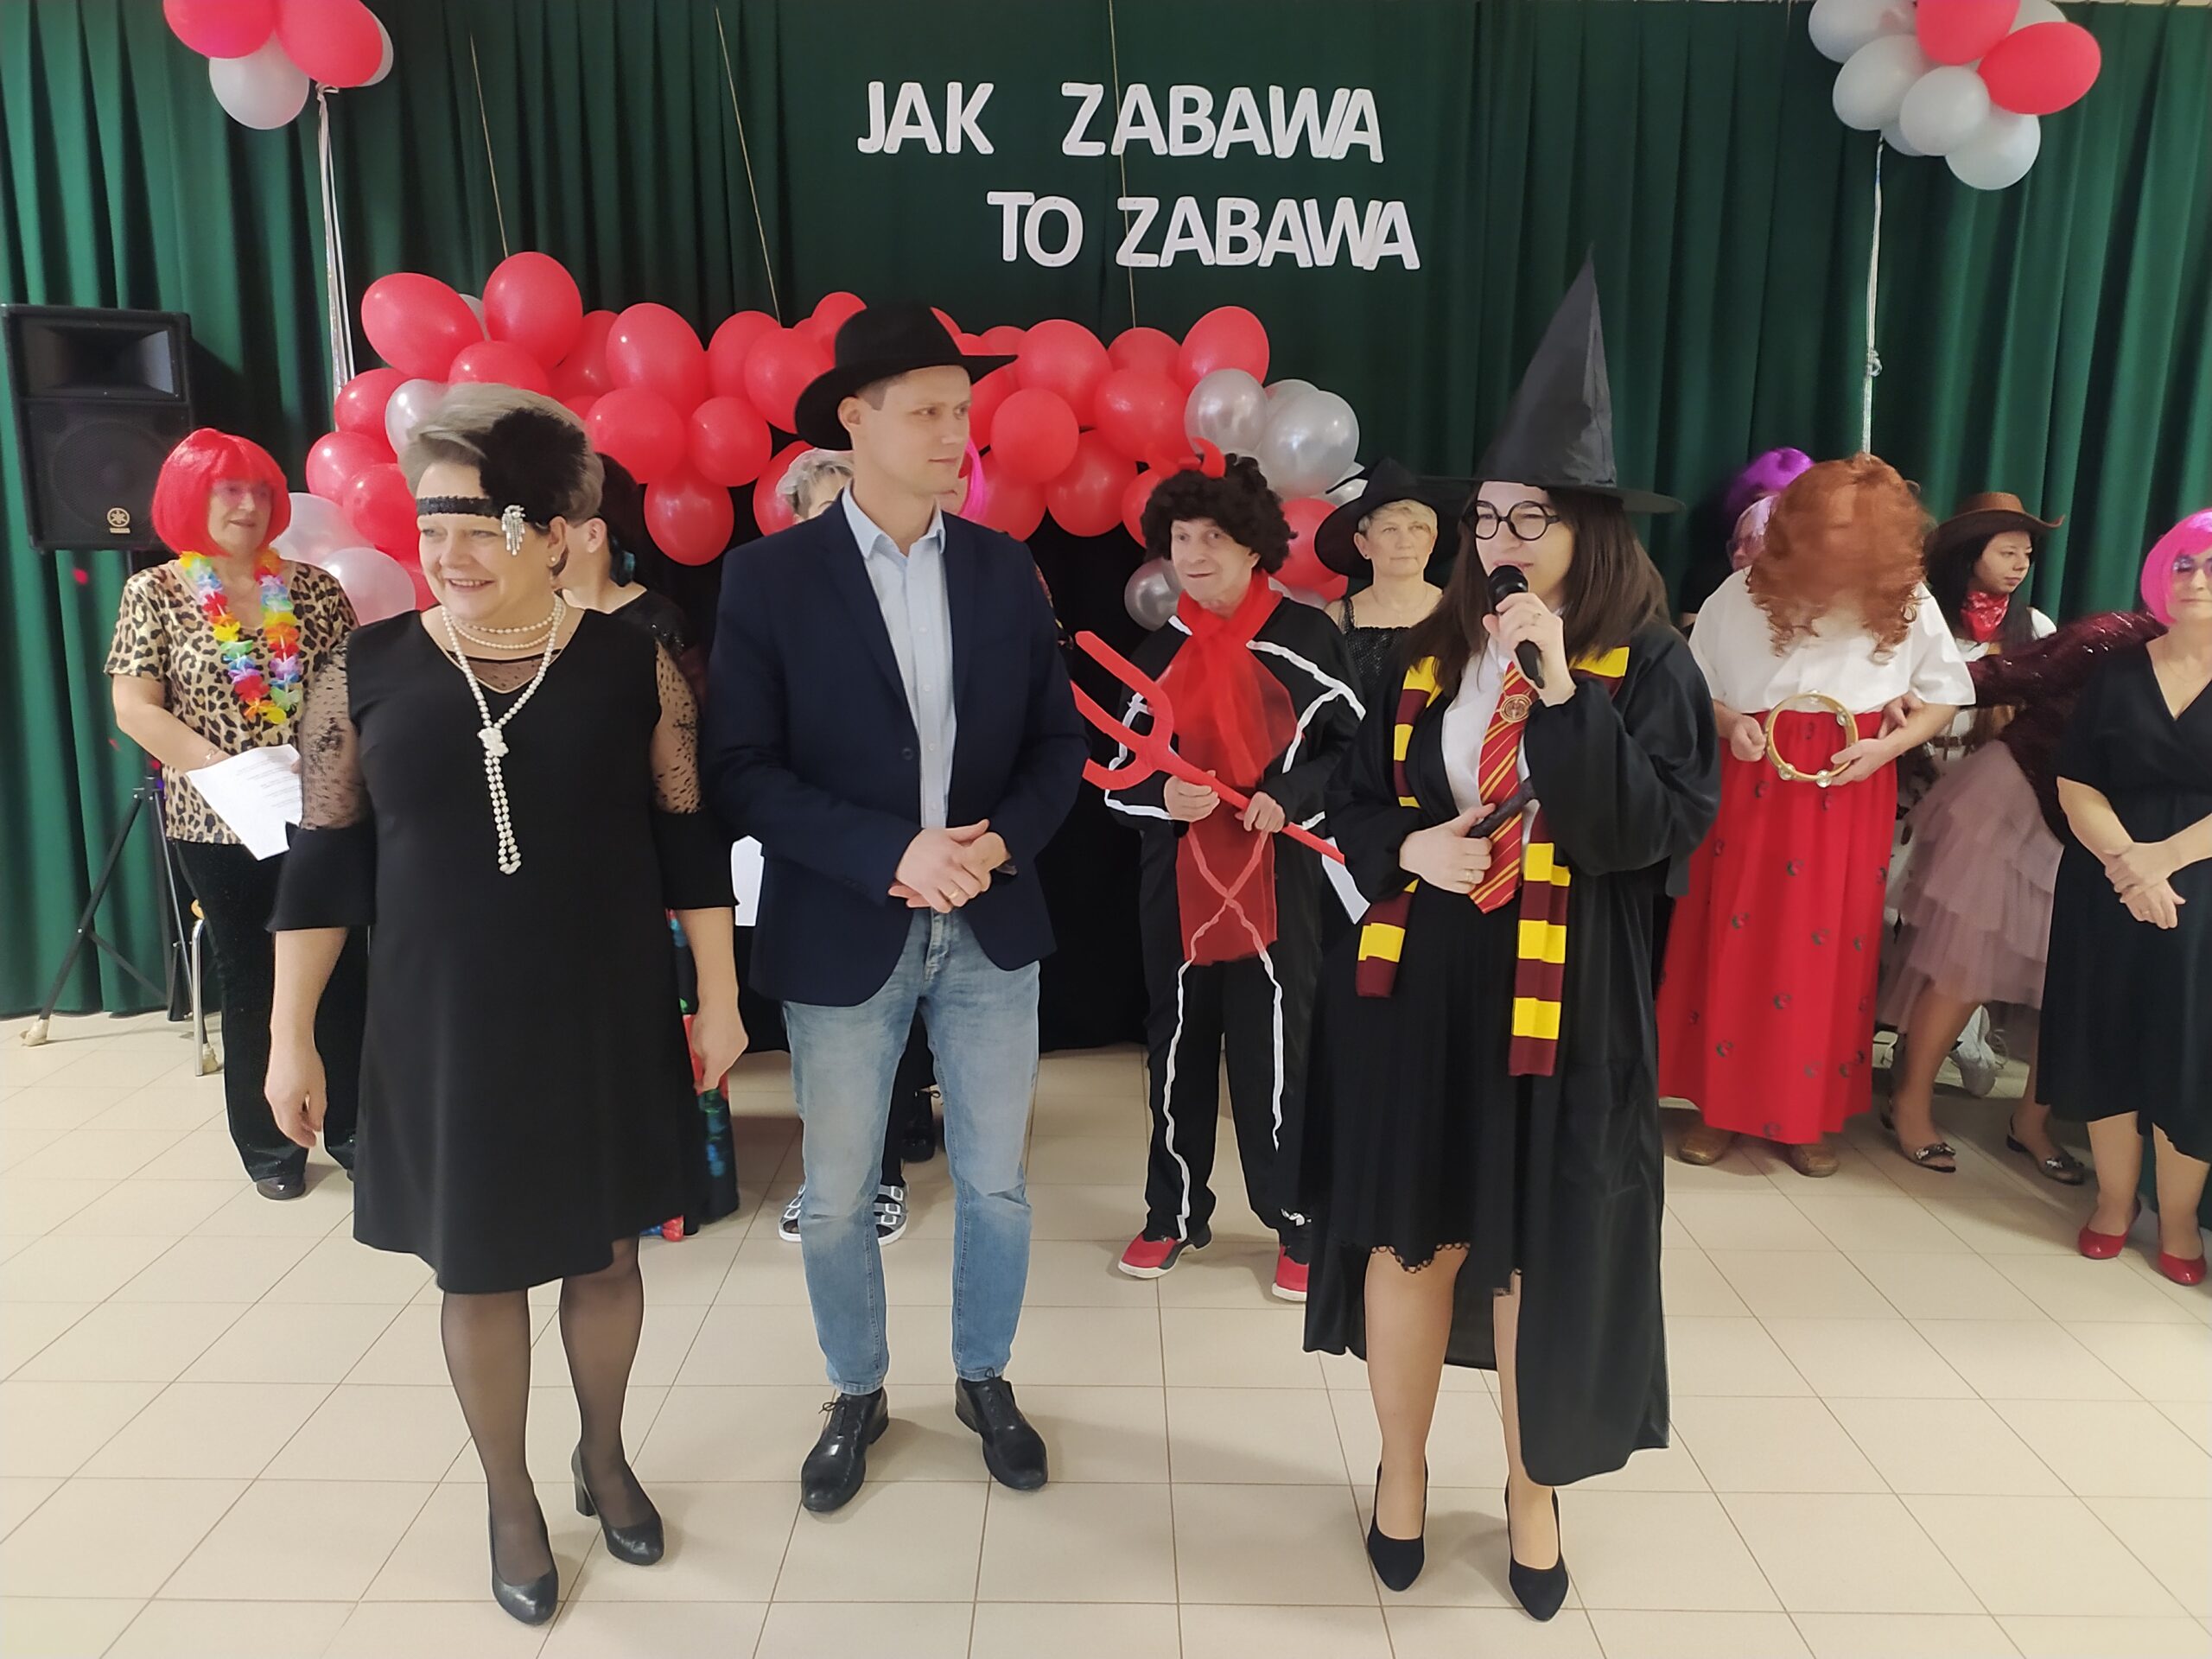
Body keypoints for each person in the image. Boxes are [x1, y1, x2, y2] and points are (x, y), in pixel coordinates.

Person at [264, 387, 746, 1625]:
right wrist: (288, 1036)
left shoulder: (633, 665)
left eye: (482, 526)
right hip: (444, 1026)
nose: (450, 554)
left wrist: (722, 996)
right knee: (476, 1267)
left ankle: (603, 1453)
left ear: (558, 534)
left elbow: (688, 841)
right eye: (432, 527)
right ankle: (509, 1496)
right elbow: (323, 867)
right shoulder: (366, 669)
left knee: (608, 1249)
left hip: (603, 1009)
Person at [1301, 261, 1720, 1611]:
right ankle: (1402, 1469)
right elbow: (1351, 803)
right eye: (1487, 516)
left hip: (1567, 997)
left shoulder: (1645, 667)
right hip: (1423, 981)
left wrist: (1558, 694)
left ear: (1588, 530)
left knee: (1537, 1250)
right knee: (1409, 1238)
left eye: (1529, 517)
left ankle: (1533, 1492)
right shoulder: (1423, 657)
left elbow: (1650, 831)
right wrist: (1404, 849)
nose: (1501, 540)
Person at [704, 303, 1086, 1513]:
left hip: (990, 920)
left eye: (961, 411)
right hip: (843, 919)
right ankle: (855, 1387)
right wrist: (892, 853)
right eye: (926, 410)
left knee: (997, 1183)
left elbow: (1059, 746)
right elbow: (742, 769)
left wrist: (996, 843)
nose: (953, 433)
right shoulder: (769, 579)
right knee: (834, 1196)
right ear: (853, 421)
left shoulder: (1000, 567)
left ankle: (984, 1376)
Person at [1661, 454, 1971, 1177]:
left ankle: (1806, 1115)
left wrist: (1888, 746)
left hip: (1849, 779)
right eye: (1829, 526)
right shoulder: (1740, 592)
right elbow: (1694, 688)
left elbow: (1945, 693)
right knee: (1734, 934)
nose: (1840, 541)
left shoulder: (1905, 599)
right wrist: (1730, 722)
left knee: (1829, 949)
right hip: (1752, 776)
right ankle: (1719, 1108)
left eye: (1856, 529)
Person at [1103, 446, 1362, 1300]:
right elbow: (1115, 776)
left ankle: (1295, 1218)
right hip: (1175, 883)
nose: (1194, 553)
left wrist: (1290, 795)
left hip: (1278, 879)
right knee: (1176, 1047)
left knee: (1277, 1049)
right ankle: (1172, 1212)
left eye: (1213, 536)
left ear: (1253, 545)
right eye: (1181, 537)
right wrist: (1160, 794)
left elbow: (1356, 756)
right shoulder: (1156, 651)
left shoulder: (1308, 640)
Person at [105, 429, 367, 1200]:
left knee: (345, 968)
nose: (248, 505)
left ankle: (355, 1126)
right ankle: (268, 1143)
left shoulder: (315, 589)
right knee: (251, 973)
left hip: (323, 811)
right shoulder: (155, 592)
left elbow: (358, 690)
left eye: (260, 490)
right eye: (229, 489)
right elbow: (134, 707)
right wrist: (235, 775)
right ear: (191, 496)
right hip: (216, 820)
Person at [765, 443, 936, 1251]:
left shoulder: (921, 595)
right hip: (816, 866)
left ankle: (887, 1174)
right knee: (825, 1048)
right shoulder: (773, 598)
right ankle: (832, 1179)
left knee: (895, 1031)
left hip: (915, 862)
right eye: (825, 509)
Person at [2043, 511, 2212, 1285]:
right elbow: (2076, 781)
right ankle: (2114, 1201)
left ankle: (2177, 1219)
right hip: (2106, 882)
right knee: (2105, 1034)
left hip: (2201, 888)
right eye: (2184, 565)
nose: (2197, 581)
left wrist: (2161, 864)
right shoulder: (2117, 671)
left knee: (2190, 1051)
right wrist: (2127, 867)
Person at [1879, 492, 2068, 1170]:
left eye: (2027, 554)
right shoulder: (1915, 620)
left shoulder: (2036, 628)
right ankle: (1891, 1082)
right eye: (2007, 551)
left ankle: (1936, 1079)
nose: (2020, 565)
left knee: (1968, 953)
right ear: (1969, 554)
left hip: (1995, 815)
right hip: (1907, 802)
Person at [1314, 458, 1461, 707]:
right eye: (1390, 530)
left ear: (1432, 541)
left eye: (1417, 528)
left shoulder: (1457, 612)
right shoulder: (1337, 618)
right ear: (1363, 545)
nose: (1405, 542)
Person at [558, 454, 706, 696]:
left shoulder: (660, 623)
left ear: (593, 534)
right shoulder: (535, 615)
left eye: (553, 530)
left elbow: (691, 712)